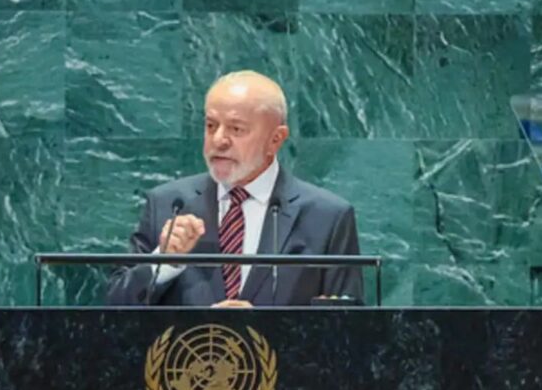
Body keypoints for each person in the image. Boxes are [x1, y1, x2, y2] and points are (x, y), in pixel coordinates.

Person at [106, 70, 362, 307]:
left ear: (276, 139)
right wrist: (165, 260)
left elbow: (347, 333)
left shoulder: (328, 218)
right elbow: (113, 311)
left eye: (236, 129)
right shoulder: (167, 204)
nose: (219, 140)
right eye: (211, 126)